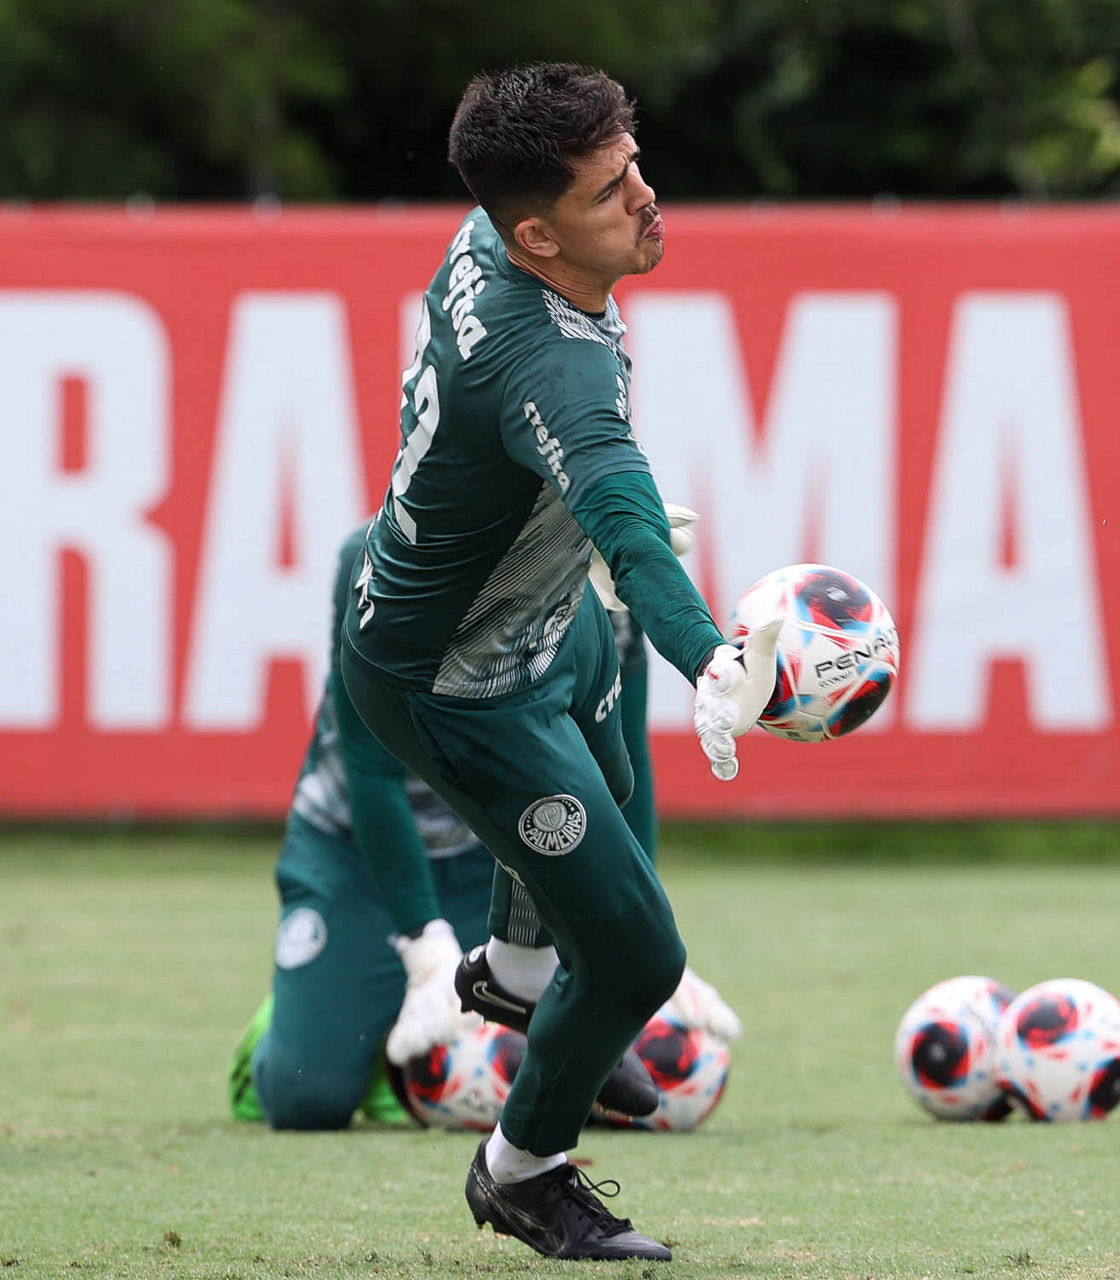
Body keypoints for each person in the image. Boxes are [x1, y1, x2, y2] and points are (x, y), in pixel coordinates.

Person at [337, 63, 781, 1262]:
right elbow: (626, 524)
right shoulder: (552, 362)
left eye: (634, 164)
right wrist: (715, 659)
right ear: (536, 235)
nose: (645, 195)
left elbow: (596, 506)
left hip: (536, 616)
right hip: (454, 685)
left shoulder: (490, 235)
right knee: (640, 953)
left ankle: (520, 973)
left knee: (614, 781)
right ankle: (520, 1169)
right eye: (608, 190)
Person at [228, 523, 742, 1131]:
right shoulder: (379, 561)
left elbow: (618, 769)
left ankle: (399, 1044)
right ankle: (315, 1013)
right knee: (308, 1095)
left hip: (501, 854)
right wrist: (424, 947)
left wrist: (639, 925)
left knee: (604, 1076)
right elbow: (371, 771)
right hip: (358, 854)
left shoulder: (604, 572)